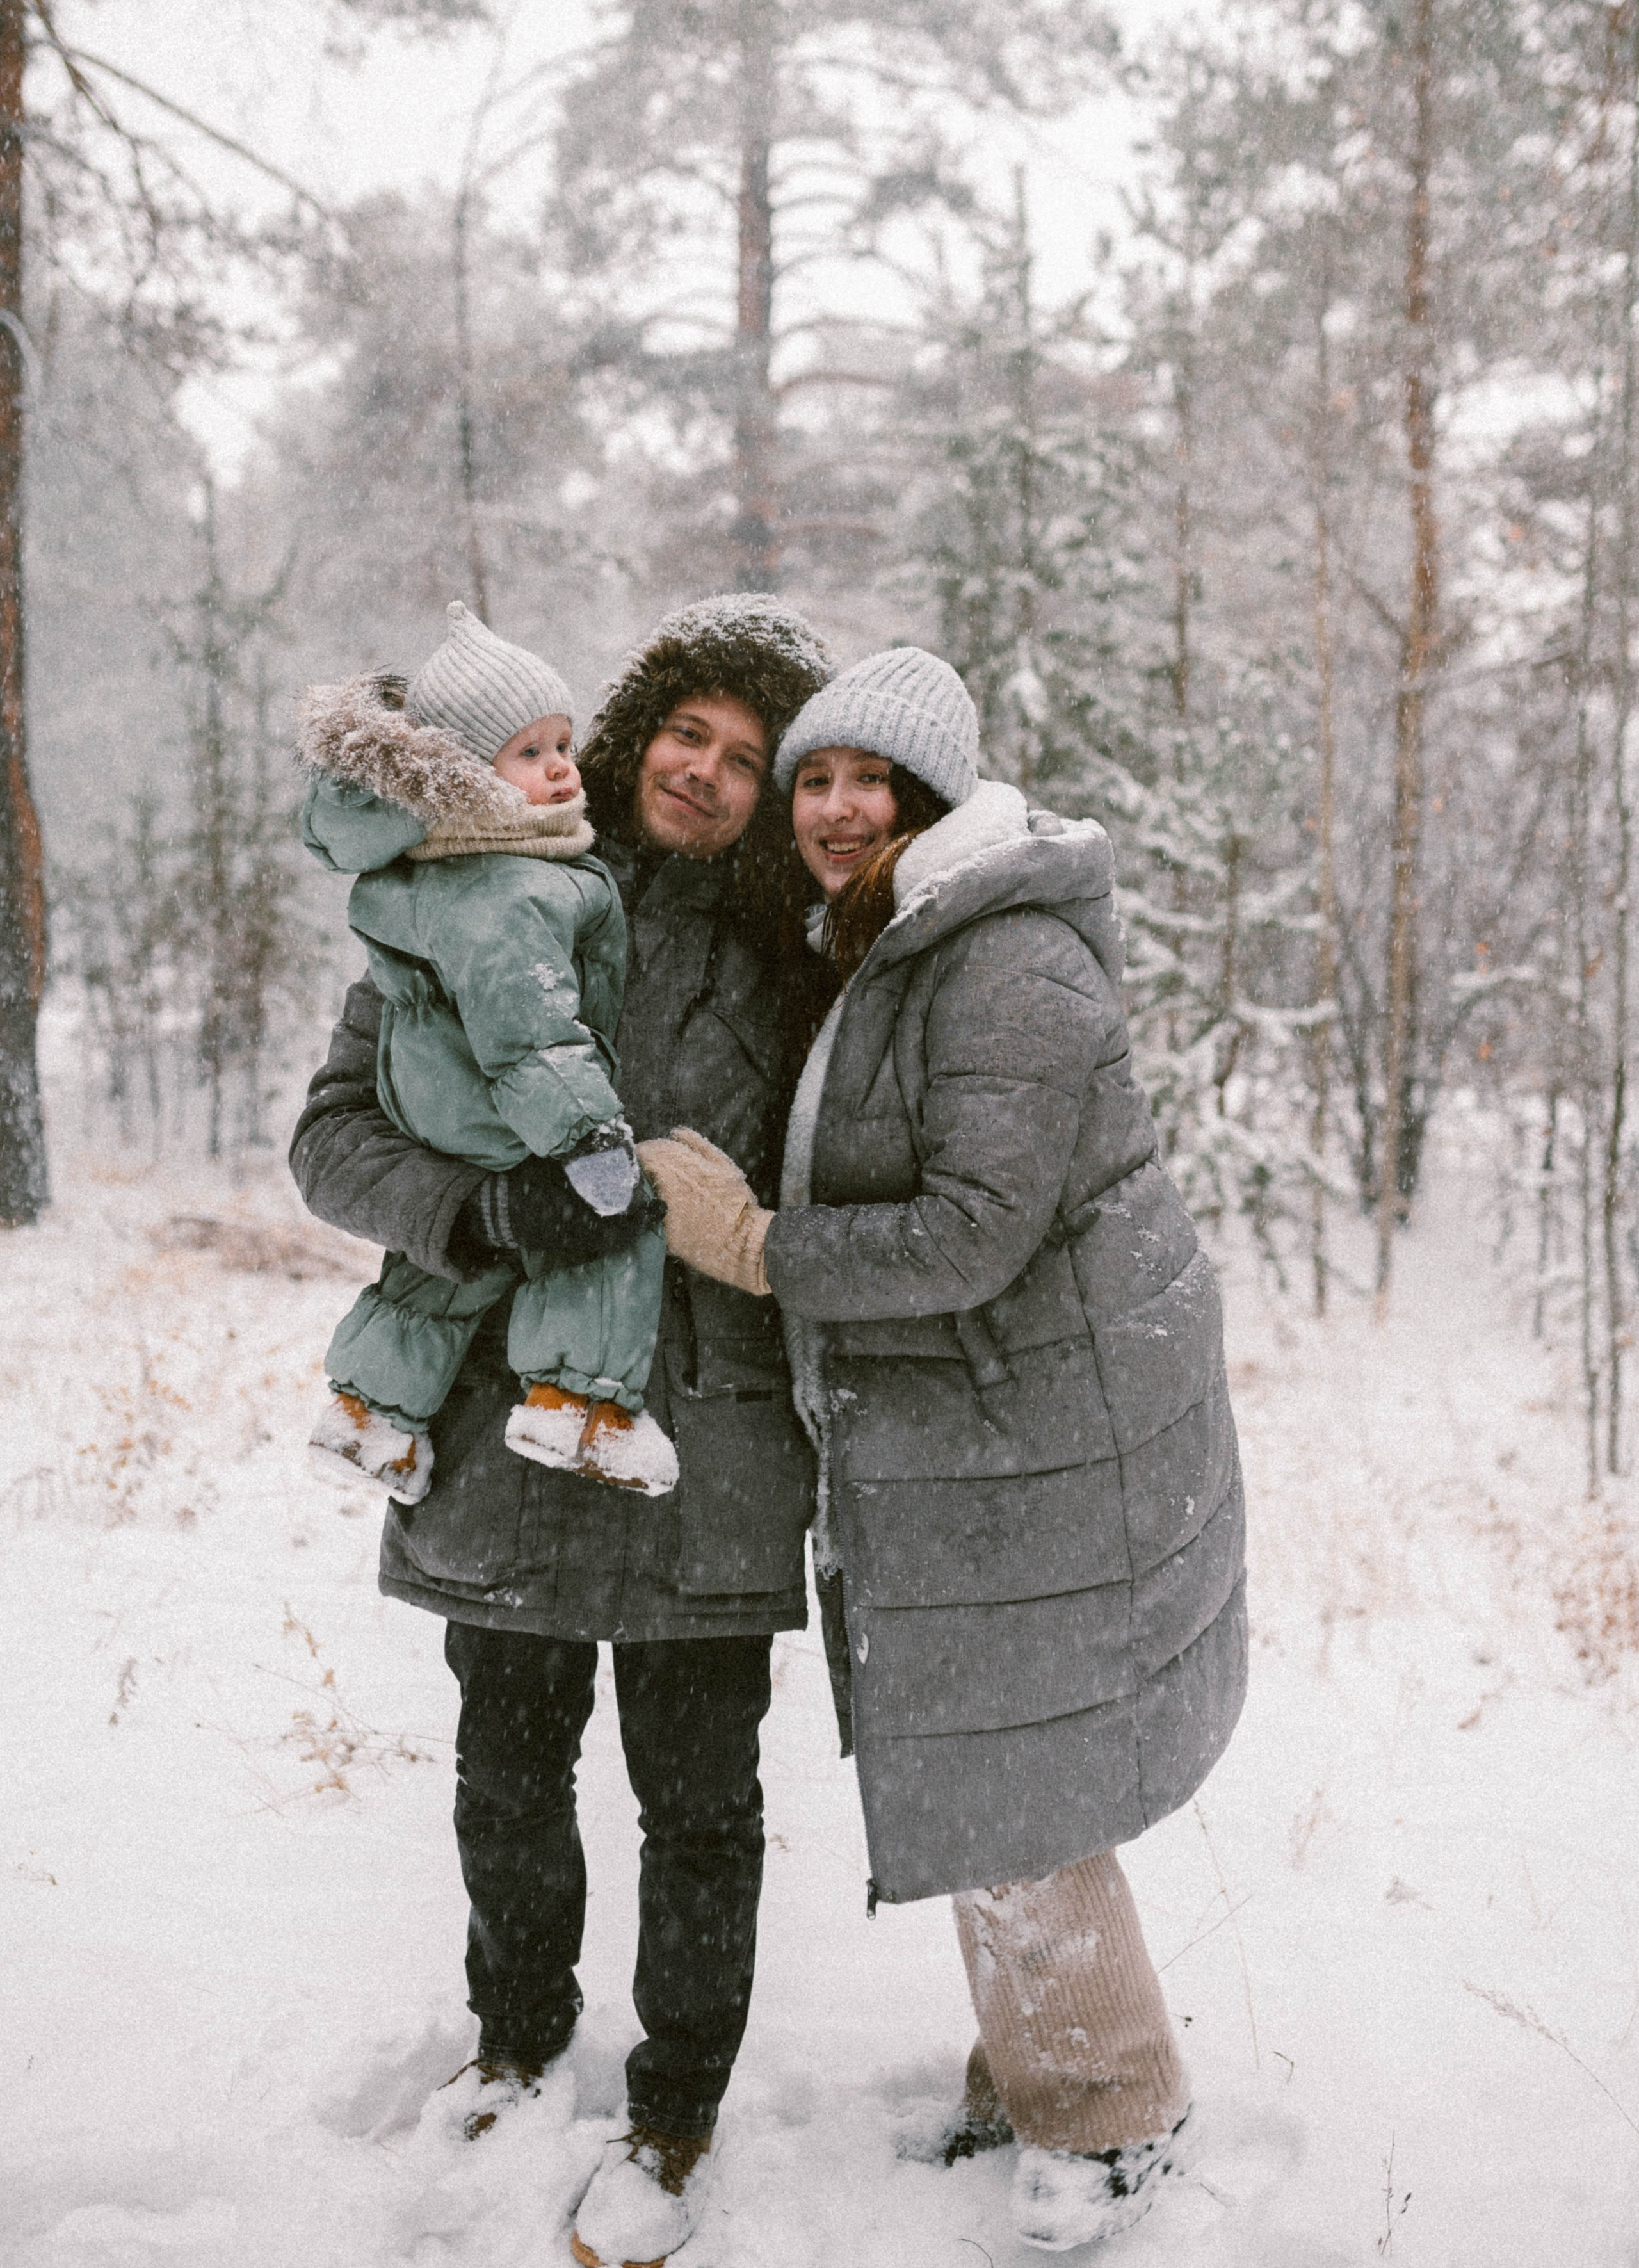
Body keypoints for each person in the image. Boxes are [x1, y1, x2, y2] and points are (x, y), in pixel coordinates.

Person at [639, 645, 1247, 2255]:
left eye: (871, 782)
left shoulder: (1006, 963)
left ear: (938, 795)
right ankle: (1037, 2068)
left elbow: (975, 1229)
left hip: (1038, 1427)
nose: (835, 809)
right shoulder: (900, 940)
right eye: (816, 781)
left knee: (1019, 1780)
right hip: (984, 1428)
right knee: (995, 1764)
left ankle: (1114, 2116)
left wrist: (758, 1247)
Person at [288, 595, 831, 2268]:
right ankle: (517, 2043)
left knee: (702, 1801)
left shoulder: (806, 964)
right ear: (629, 728)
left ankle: (673, 2108)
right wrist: (487, 1208)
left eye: (750, 758)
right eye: (688, 731)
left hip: (712, 1446)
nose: (709, 771)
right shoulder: (466, 887)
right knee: (508, 1770)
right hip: (504, 1422)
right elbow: (329, 1142)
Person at [300, 601, 674, 1502]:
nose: (559, 770)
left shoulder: (451, 863)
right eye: (529, 753)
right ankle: (577, 1402)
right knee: (610, 1233)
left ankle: (369, 1413)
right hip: (501, 1098)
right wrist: (589, 1135)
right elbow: (531, 1026)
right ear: (467, 777)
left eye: (562, 744)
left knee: (436, 1275)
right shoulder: (514, 883)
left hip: (440, 1107)